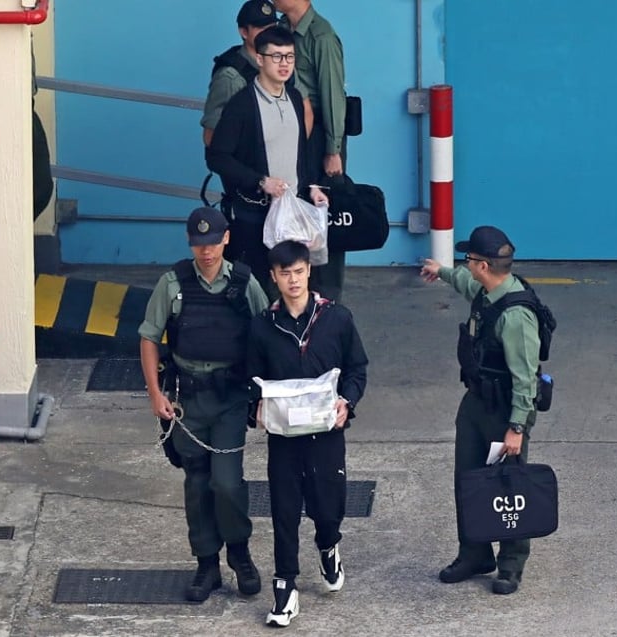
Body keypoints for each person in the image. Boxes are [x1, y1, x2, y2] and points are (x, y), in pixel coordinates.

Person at [137, 207, 270, 602]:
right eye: (199, 243)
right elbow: (149, 337)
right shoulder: (172, 284)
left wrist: (265, 396)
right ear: (189, 242)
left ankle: (241, 555)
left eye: (212, 242)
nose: (206, 251)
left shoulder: (245, 283)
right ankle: (207, 564)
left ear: (226, 239)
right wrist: (154, 394)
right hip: (187, 401)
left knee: (226, 483)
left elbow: (267, 335)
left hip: (229, 398)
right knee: (197, 483)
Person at [247, 240, 368, 627]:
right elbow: (248, 378)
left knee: (327, 506)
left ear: (308, 271)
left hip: (326, 434)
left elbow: (357, 369)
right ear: (274, 277)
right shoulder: (262, 327)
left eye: (299, 271)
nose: (293, 280)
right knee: (284, 511)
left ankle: (329, 544)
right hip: (283, 437)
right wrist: (257, 408)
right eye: (285, 274)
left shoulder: (338, 319)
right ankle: (285, 590)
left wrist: (346, 402)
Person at [419, 225, 541, 595]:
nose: (465, 264)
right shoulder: (486, 290)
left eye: (468, 259)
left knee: (509, 486)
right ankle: (474, 552)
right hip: (476, 401)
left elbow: (525, 380)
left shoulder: (516, 316)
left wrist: (516, 428)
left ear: (484, 265)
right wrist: (440, 270)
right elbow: (462, 282)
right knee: (468, 480)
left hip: (505, 410)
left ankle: (511, 563)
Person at [207, 27, 328, 294]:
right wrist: (260, 181)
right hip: (256, 214)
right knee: (259, 289)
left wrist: (312, 186)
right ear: (260, 59)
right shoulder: (242, 105)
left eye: (289, 57)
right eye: (276, 57)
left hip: (293, 211)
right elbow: (216, 157)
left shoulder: (295, 98)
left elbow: (300, 151)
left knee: (296, 286)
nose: (284, 63)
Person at [276, 0, 348, 302]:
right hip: (291, 130)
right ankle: (297, 287)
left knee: (323, 212)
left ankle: (327, 294)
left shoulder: (321, 36)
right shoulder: (281, 29)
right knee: (293, 207)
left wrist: (333, 148)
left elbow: (332, 94)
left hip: (319, 131)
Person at [202, 1, 313, 148]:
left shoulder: (282, 64)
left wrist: (293, 152)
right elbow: (211, 136)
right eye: (261, 27)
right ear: (244, 32)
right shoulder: (231, 77)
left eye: (272, 26)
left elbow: (306, 111)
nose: (268, 33)